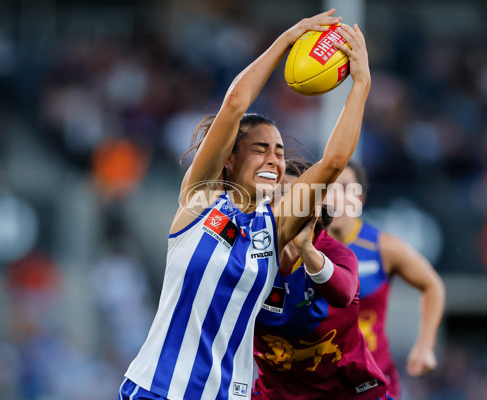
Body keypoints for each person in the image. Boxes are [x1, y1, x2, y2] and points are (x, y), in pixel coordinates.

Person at [119, 10, 373, 400]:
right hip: (157, 390)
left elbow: (334, 163)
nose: (274, 159)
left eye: (280, 152)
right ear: (230, 159)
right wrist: (285, 40)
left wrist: (361, 86)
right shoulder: (199, 201)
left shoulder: (274, 228)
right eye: (260, 149)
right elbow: (235, 103)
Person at [253, 160, 391, 400]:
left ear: (314, 209)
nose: (286, 205)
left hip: (349, 394)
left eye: (298, 198)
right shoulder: (249, 255)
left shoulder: (339, 254)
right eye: (279, 196)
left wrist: (306, 248)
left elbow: (343, 293)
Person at [327, 162, 446, 399]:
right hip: (321, 381)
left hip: (373, 381)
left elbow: (433, 285)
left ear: (360, 198)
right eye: (326, 189)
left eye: (343, 189)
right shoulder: (303, 248)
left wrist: (425, 346)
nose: (334, 198)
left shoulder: (382, 247)